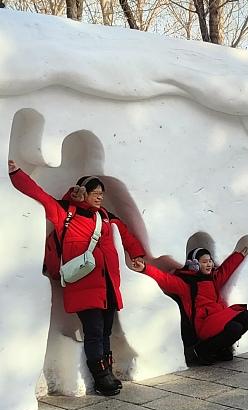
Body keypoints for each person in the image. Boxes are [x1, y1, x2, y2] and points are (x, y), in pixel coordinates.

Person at [8, 160, 146, 396]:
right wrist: (16, 173)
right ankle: (101, 377)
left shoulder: (104, 216)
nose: (100, 197)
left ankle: (108, 371)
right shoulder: (65, 214)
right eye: (95, 193)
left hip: (108, 286)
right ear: (82, 193)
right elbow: (39, 195)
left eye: (102, 193)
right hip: (85, 286)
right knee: (94, 331)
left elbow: (126, 234)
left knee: (104, 332)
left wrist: (137, 255)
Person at [132, 245, 248, 365]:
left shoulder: (213, 278)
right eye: (204, 262)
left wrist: (238, 256)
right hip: (204, 323)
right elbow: (165, 279)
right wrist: (145, 268)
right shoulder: (187, 284)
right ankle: (203, 350)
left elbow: (226, 270)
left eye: (210, 261)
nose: (209, 264)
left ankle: (220, 349)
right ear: (194, 264)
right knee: (235, 328)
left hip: (218, 317)